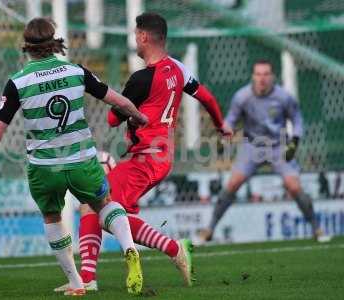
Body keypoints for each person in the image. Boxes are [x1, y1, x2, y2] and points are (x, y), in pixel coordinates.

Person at [0, 17, 148, 296]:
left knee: (51, 217)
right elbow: (117, 100)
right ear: (53, 41)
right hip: (81, 159)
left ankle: (75, 282)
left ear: (26, 46)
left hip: (44, 167)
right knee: (104, 204)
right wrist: (139, 116)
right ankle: (130, 248)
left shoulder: (18, 83)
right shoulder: (76, 71)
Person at [56, 12, 232, 292]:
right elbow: (207, 98)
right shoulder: (177, 69)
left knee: (95, 203)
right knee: (111, 211)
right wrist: (221, 126)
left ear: (144, 37)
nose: (134, 40)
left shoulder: (141, 79)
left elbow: (114, 120)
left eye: (136, 35)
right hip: (160, 157)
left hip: (146, 158)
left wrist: (111, 95)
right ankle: (97, 274)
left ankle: (91, 277)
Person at [199, 59, 328, 243]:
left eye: (266, 74)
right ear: (253, 76)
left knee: (294, 186)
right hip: (252, 146)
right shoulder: (242, 97)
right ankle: (209, 229)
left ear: (272, 77)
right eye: (258, 74)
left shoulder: (284, 97)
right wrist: (223, 136)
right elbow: (231, 120)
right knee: (232, 183)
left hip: (278, 146)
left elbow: (297, 119)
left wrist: (295, 141)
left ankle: (317, 229)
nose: (262, 78)